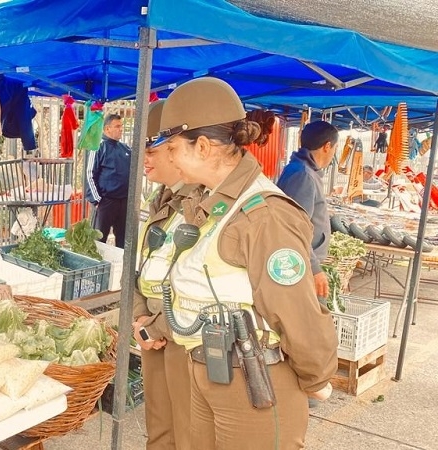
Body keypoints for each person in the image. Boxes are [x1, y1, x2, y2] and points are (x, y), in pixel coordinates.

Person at [150, 77, 337, 450]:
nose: (168, 159)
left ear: (202, 147)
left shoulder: (263, 214)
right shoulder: (207, 202)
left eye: (172, 148)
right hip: (207, 366)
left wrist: (316, 377)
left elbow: (297, 314)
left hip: (253, 378)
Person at [133, 99, 199, 450]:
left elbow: (195, 279)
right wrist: (139, 315)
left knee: (187, 431)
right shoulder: (162, 197)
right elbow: (144, 264)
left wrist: (153, 322)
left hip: (182, 332)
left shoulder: (202, 203)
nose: (145, 158)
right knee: (159, 425)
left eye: (153, 149)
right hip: (153, 329)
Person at [276, 120, 339, 300]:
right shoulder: (303, 175)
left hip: (302, 262)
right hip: (299, 266)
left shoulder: (304, 171)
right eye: (335, 148)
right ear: (327, 146)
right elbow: (294, 229)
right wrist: (314, 268)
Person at [85, 114, 132, 248]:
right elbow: (90, 174)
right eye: (117, 126)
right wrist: (97, 200)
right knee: (98, 241)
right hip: (106, 201)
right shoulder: (98, 147)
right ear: (107, 129)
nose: (121, 129)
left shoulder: (126, 149)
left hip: (124, 202)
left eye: (121, 126)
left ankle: (122, 267)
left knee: (124, 241)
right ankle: (96, 267)